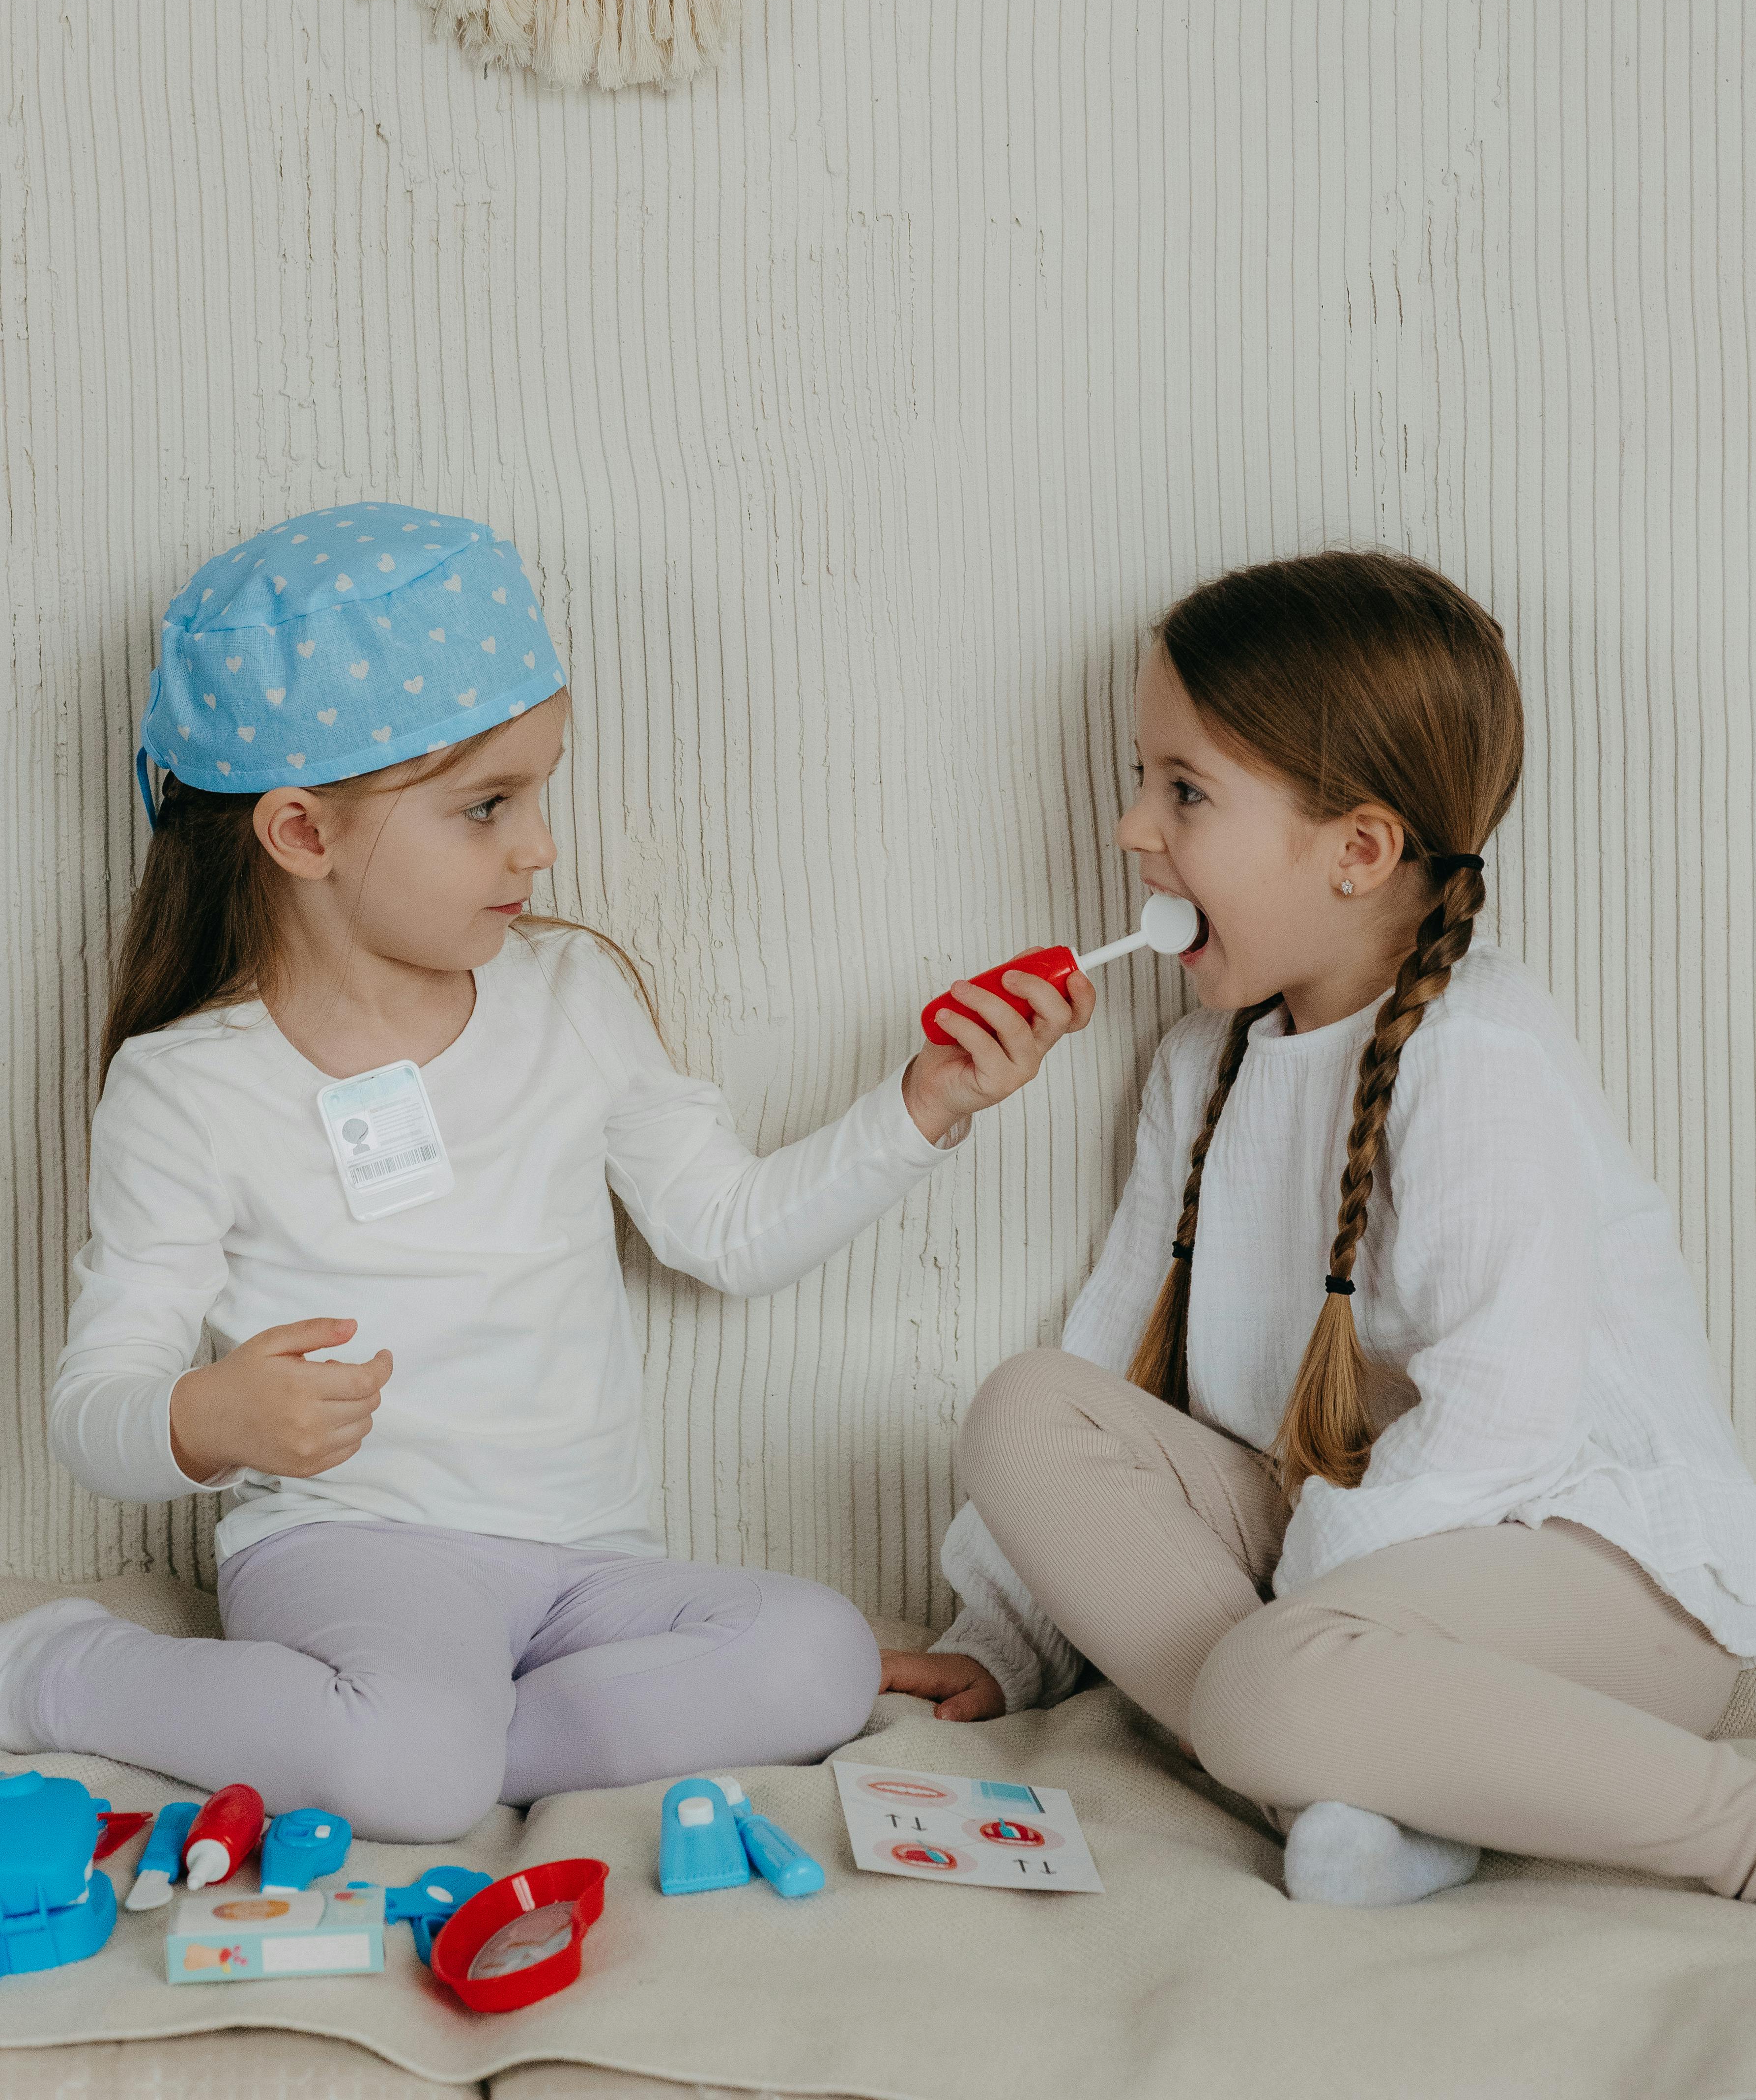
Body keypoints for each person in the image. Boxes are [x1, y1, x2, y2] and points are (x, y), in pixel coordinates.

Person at [0, 502, 1090, 1842]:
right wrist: (211, 1420)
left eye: (539, 790)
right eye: (487, 807)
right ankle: (56, 1665)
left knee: (818, 1656)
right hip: (356, 1555)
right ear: (300, 835)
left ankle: (440, 1743)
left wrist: (921, 1109)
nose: (541, 847)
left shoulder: (570, 995)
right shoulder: (189, 1086)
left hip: (584, 1575)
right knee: (413, 1762)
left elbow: (725, 1231)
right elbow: (96, 1404)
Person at [883, 550, 1756, 1908]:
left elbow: (1506, 1419)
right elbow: (1115, 1351)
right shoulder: (1202, 1066)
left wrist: (1307, 1600)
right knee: (1025, 1410)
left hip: (1600, 1574)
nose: (1132, 828)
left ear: (1358, 850)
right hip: (1358, 1566)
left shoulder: (1477, 1049)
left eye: (1184, 791)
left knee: (1270, 1673)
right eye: (1140, 780)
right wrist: (1004, 1638)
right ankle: (1354, 1783)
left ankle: (1728, 1823)